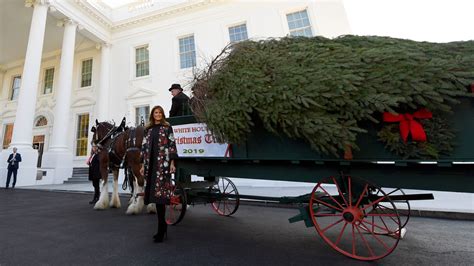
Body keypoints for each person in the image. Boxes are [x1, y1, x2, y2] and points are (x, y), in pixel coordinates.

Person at [141, 105, 177, 243]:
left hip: (163, 167)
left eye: (160, 112)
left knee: (161, 198)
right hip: (150, 167)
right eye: (156, 112)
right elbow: (144, 148)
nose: (158, 114)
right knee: (155, 199)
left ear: (162, 114)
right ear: (152, 114)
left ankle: (162, 230)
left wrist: (173, 163)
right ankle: (161, 229)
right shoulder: (148, 130)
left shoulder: (167, 128)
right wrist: (142, 166)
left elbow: (172, 145)